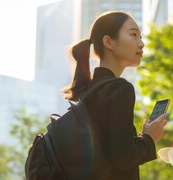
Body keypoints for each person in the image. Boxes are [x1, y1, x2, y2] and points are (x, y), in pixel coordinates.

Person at [61, 11, 167, 179]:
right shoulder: (120, 89)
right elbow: (122, 159)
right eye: (133, 34)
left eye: (141, 36)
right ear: (109, 42)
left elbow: (108, 154)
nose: (141, 44)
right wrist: (149, 138)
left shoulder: (88, 91)